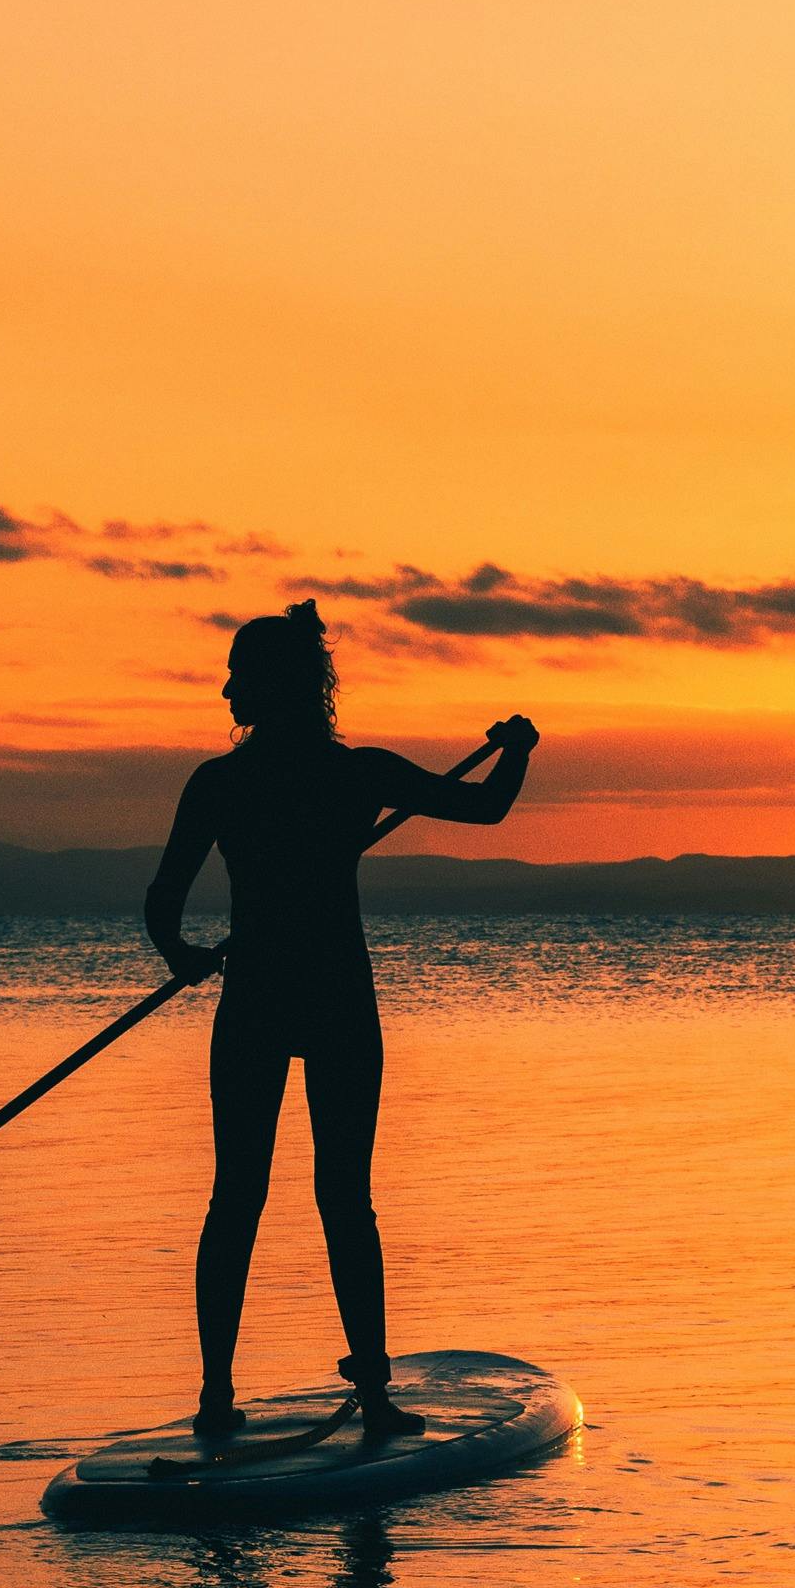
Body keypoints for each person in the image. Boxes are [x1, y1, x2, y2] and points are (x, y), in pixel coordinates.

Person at [144, 599, 538, 1445]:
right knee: (342, 1199)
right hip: (333, 1000)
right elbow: (487, 805)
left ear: (274, 685)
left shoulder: (221, 785)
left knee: (238, 1198)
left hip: (257, 998)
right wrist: (519, 751)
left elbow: (162, 906)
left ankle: (220, 1397)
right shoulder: (357, 775)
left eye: (239, 674)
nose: (225, 689)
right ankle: (373, 1395)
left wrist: (180, 953)